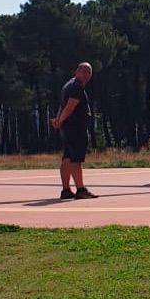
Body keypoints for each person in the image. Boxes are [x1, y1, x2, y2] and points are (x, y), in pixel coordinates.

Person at [51, 62, 98, 200]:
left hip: (67, 128)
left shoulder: (69, 85)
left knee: (67, 158)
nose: (86, 75)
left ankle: (66, 190)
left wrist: (59, 120)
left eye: (89, 72)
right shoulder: (76, 87)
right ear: (76, 71)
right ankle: (80, 189)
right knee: (75, 160)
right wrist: (60, 121)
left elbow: (63, 106)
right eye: (83, 71)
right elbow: (70, 107)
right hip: (75, 128)